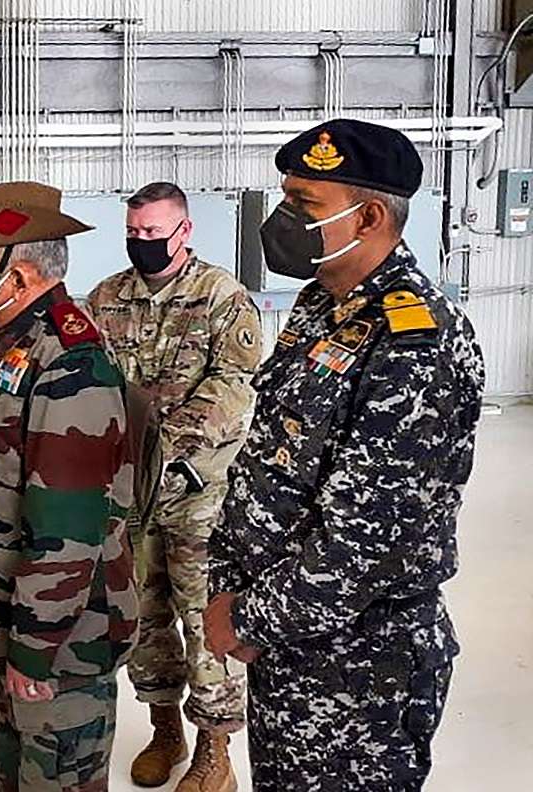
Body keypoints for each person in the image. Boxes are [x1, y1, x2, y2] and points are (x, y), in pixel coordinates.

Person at [204, 119, 486, 790]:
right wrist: (228, 585)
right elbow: (267, 462)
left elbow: (369, 540)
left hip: (361, 668)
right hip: (288, 644)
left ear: (374, 216)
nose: (283, 218)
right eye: (286, 198)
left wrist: (247, 617)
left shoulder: (417, 341)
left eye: (305, 205)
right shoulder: (320, 306)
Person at [0, 181, 143, 792]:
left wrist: (34, 649)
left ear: (17, 278)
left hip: (64, 643)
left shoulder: (69, 363)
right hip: (24, 626)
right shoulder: (18, 346)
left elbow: (68, 530)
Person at [87, 182, 260, 792]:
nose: (141, 244)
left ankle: (216, 751)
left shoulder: (223, 297)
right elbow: (93, 386)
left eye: (153, 235)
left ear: (184, 232)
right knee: (145, 615)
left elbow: (235, 387)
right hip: (131, 493)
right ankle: (166, 728)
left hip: (199, 493)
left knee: (204, 618)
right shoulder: (106, 298)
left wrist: (172, 451)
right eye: (133, 234)